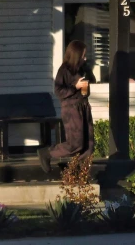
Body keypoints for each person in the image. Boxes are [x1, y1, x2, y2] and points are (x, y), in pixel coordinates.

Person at [37, 40, 94, 173]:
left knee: (88, 144)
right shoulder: (64, 70)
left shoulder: (82, 68)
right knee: (75, 143)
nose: (85, 58)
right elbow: (59, 91)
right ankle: (47, 153)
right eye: (82, 55)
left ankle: (81, 173)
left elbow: (86, 86)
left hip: (83, 105)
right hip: (72, 109)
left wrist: (86, 83)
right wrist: (75, 86)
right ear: (76, 55)